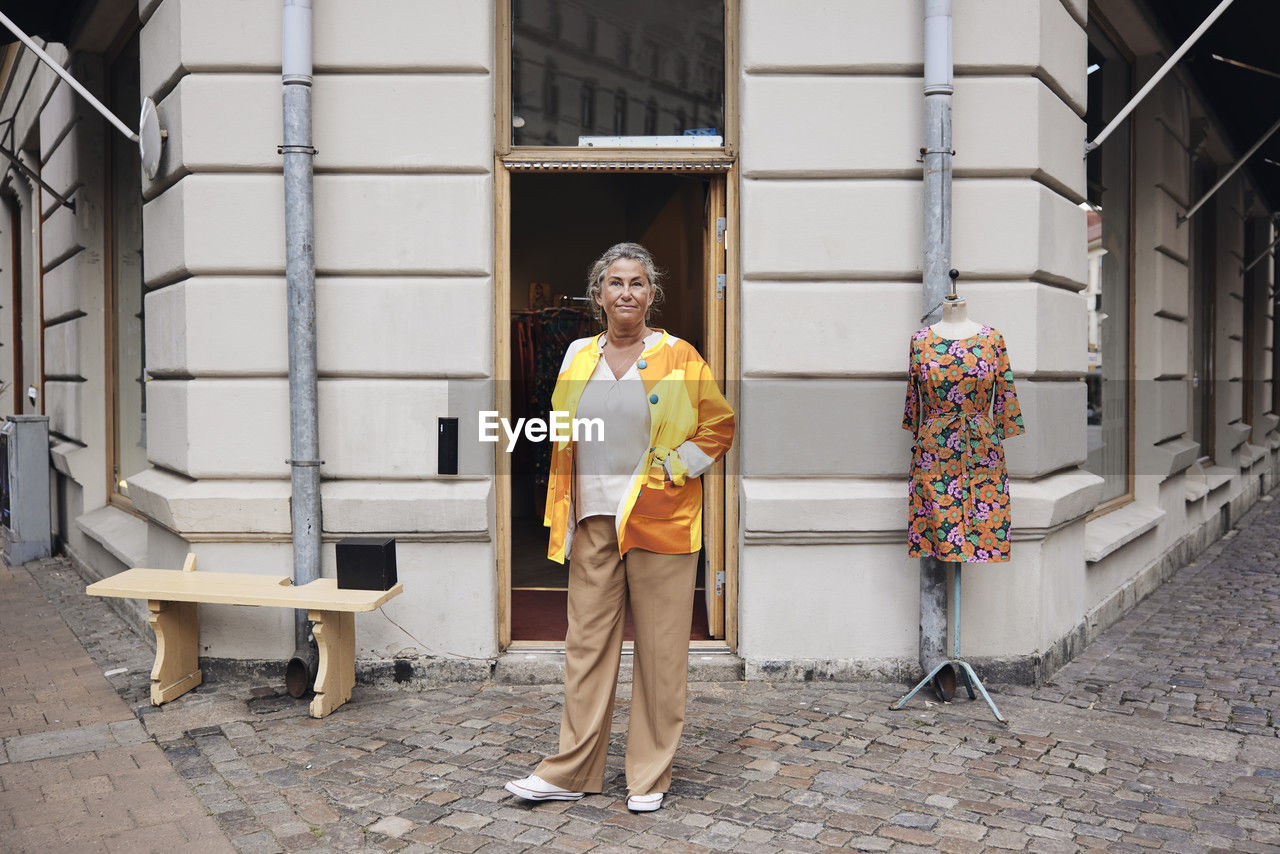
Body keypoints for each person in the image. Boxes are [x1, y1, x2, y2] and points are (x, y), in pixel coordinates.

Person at [505, 242, 735, 813]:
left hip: (660, 521)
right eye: (615, 282)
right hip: (592, 521)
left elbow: (718, 425)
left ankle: (648, 777)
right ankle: (570, 770)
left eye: (637, 282)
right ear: (598, 294)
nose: (626, 292)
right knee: (584, 648)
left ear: (652, 294)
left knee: (660, 653)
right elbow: (562, 434)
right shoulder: (577, 355)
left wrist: (675, 468)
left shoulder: (679, 356)